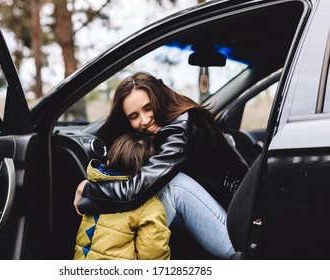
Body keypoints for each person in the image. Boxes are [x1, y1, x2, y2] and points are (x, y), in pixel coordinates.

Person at [74, 71, 248, 259]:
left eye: (148, 107)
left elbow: (134, 191)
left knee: (174, 186)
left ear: (159, 98)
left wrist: (88, 191)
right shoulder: (171, 121)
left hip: (236, 237)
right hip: (227, 218)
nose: (145, 120)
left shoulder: (180, 129)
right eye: (134, 116)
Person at [74, 132, 170, 260]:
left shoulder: (94, 189)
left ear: (109, 159)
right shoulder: (150, 206)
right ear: (147, 173)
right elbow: (152, 254)